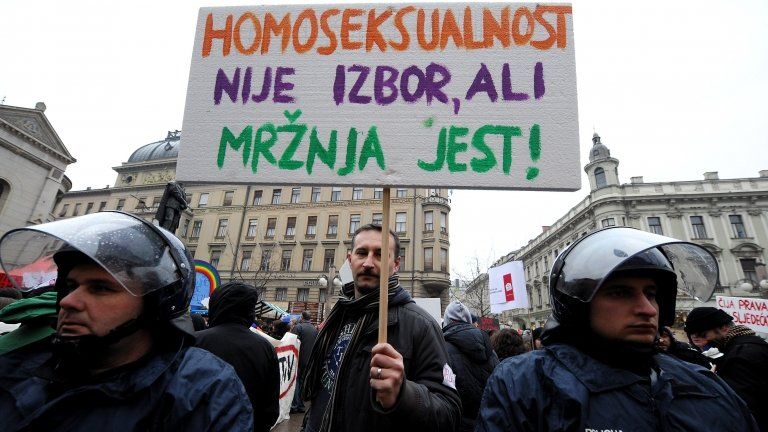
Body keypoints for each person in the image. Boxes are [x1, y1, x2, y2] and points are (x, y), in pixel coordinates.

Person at [477, 227, 759, 431]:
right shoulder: (524, 383)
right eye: (621, 293)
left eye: (651, 293)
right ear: (578, 305)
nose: (647, 308)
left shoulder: (701, 381)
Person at [0, 211, 253, 431]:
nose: (68, 301)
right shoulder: (16, 366)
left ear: (154, 304)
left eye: (100, 288)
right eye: (70, 286)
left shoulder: (204, 391)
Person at [301, 224, 460, 432]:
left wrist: (404, 394)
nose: (368, 263)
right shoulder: (338, 315)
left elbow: (450, 413)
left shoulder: (421, 325)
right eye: (361, 253)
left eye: (379, 254)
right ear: (350, 260)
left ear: (396, 264)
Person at [196, 281, 280, 432]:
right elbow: (270, 409)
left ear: (216, 306)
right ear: (249, 311)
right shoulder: (265, 347)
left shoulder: (195, 341)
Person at [684, 306, 768, 431]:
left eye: (702, 334)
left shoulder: (740, 356)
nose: (698, 341)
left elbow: (741, 406)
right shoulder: (741, 347)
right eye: (692, 336)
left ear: (724, 328)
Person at [442, 300, 498, 432]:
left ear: (447, 321)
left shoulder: (442, 349)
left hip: (459, 424)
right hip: (489, 421)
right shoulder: (489, 348)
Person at [291, 310, 318, 414]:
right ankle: (301, 405)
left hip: (299, 360)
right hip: (309, 361)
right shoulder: (314, 329)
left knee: (296, 382)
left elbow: (292, 343)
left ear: (302, 317)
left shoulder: (298, 327)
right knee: (302, 382)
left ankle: (295, 406)